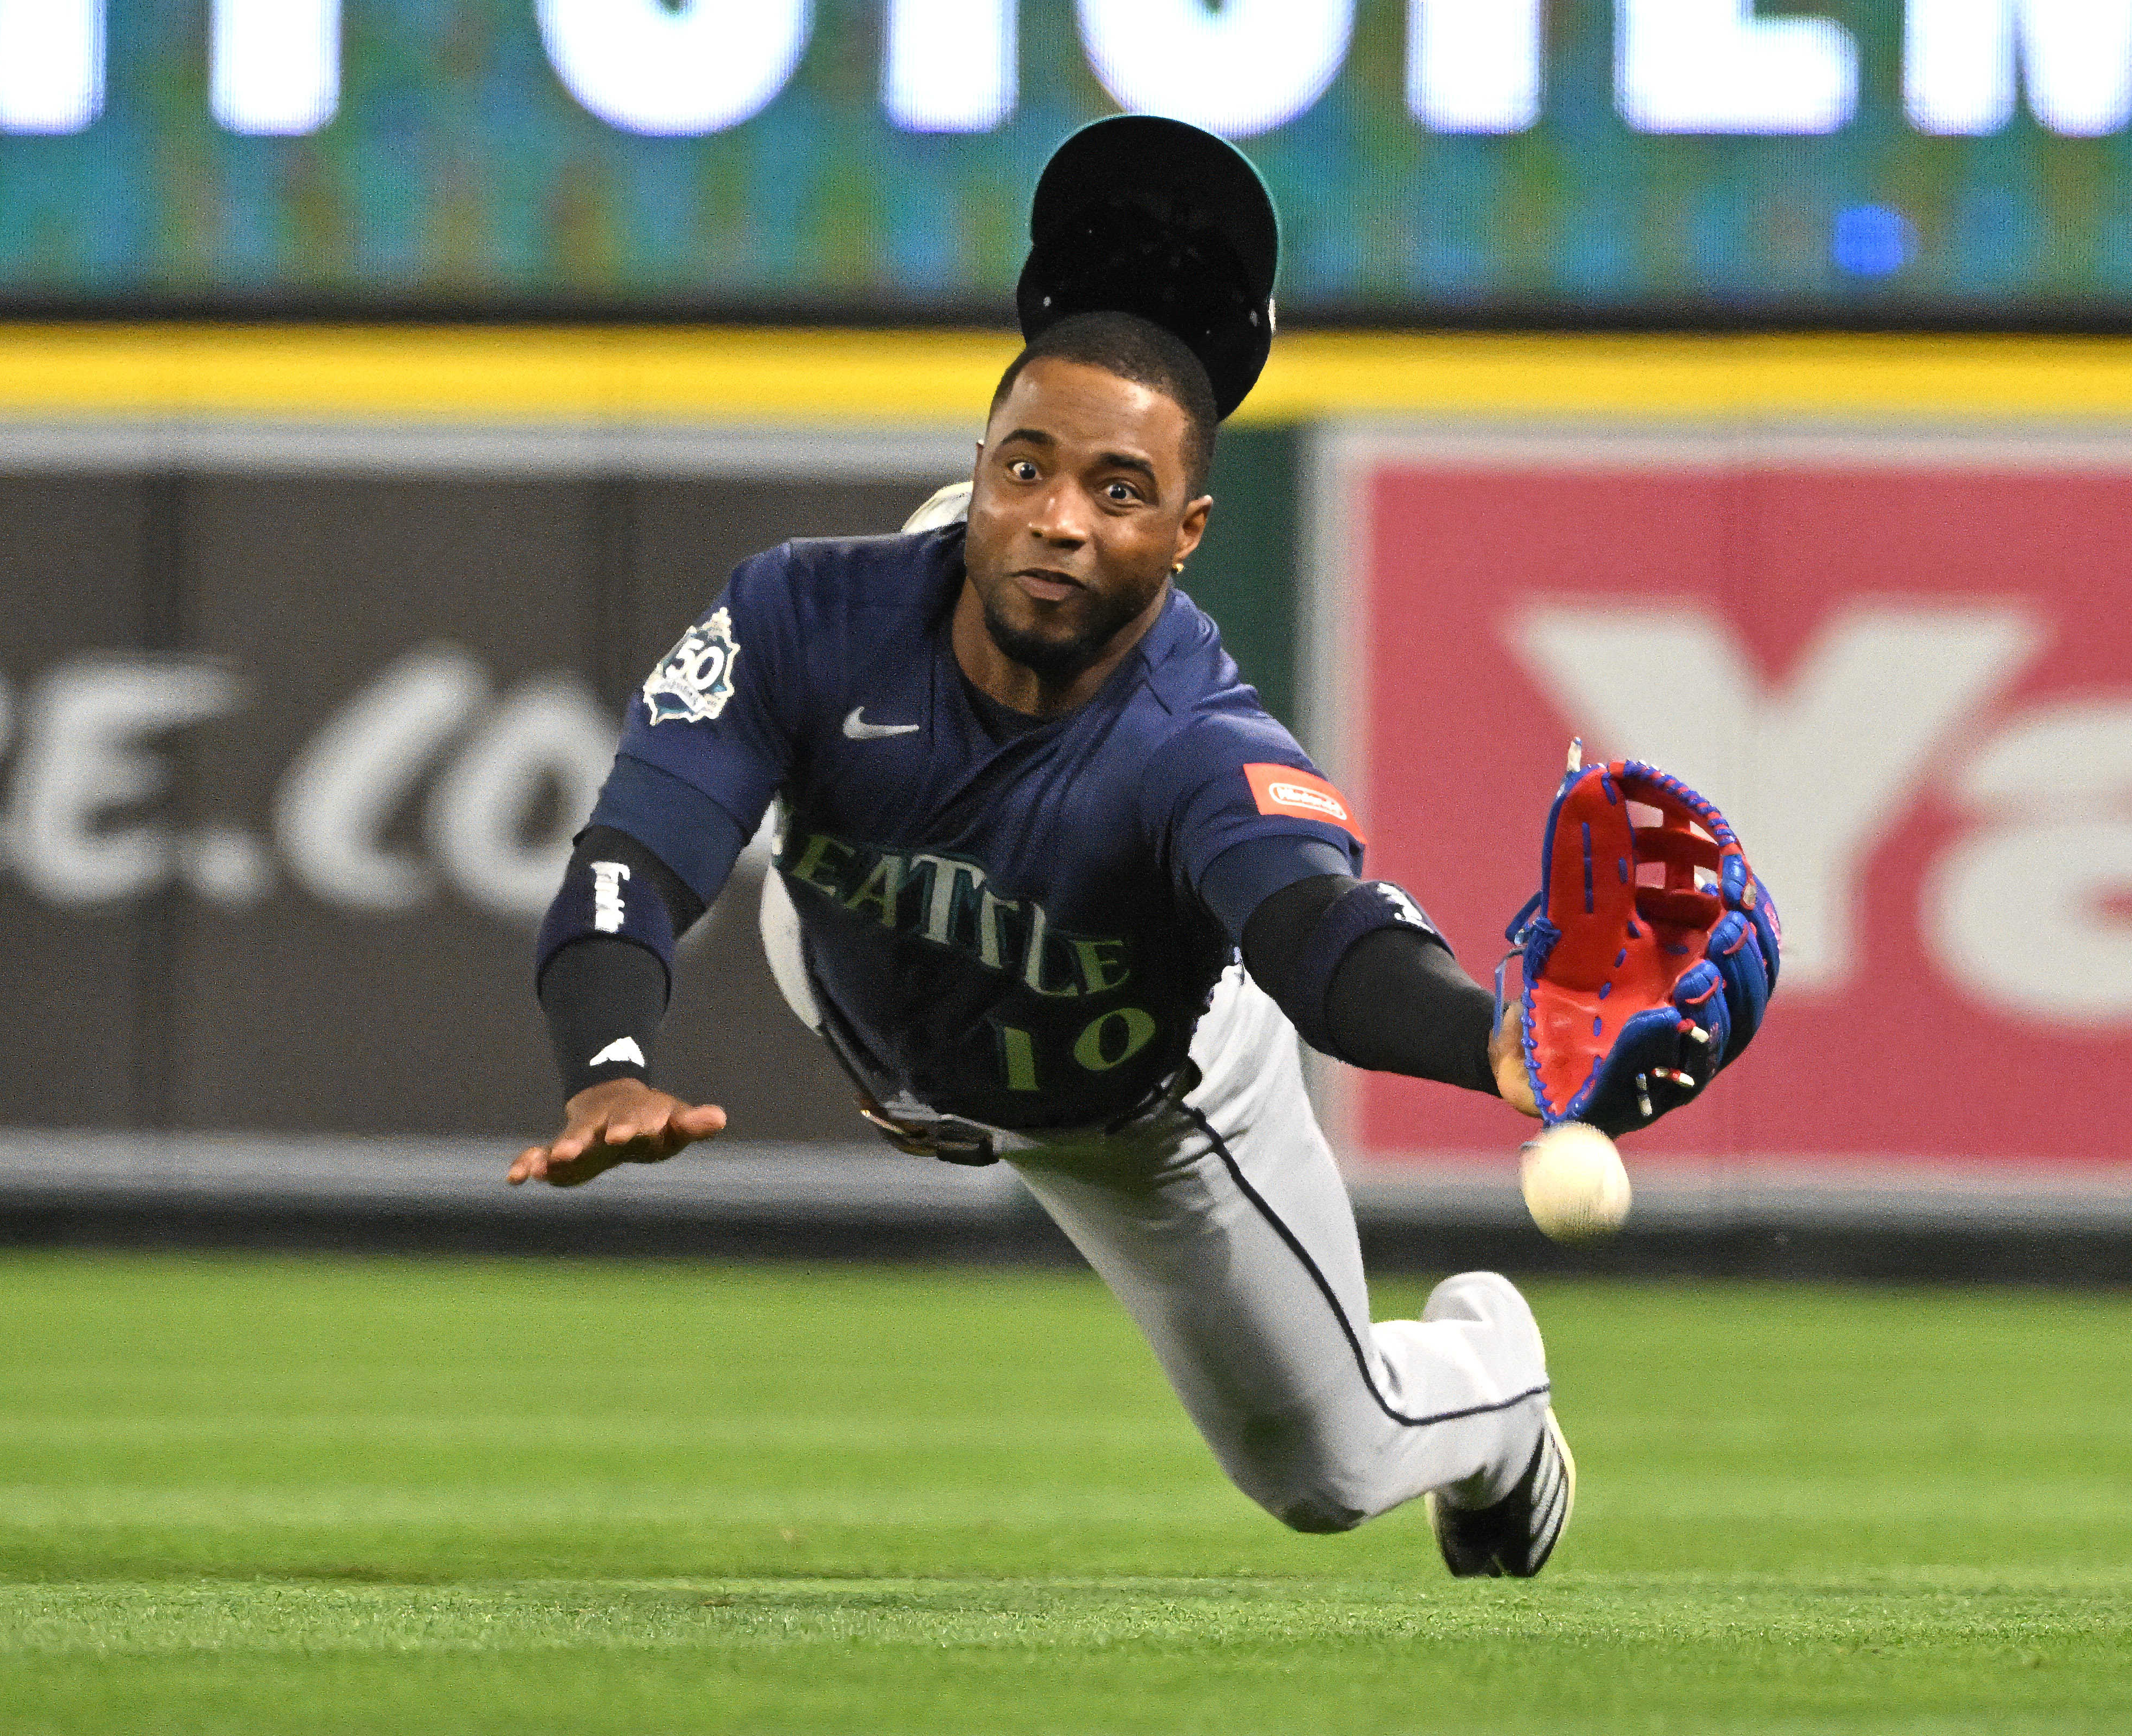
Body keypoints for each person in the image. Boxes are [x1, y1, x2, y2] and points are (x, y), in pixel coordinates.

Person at [509, 121, 1574, 1577]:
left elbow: (1324, 942)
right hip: (871, 960)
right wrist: (608, 1064)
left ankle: (1497, 1389)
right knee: (842, 794)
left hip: (1143, 1101)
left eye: (1120, 493)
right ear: (981, 466)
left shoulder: (1196, 742)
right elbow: (636, 852)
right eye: (1024, 471)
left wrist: (1495, 1038)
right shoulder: (807, 616)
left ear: (1191, 529)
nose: (1059, 521)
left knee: (1331, 1470)